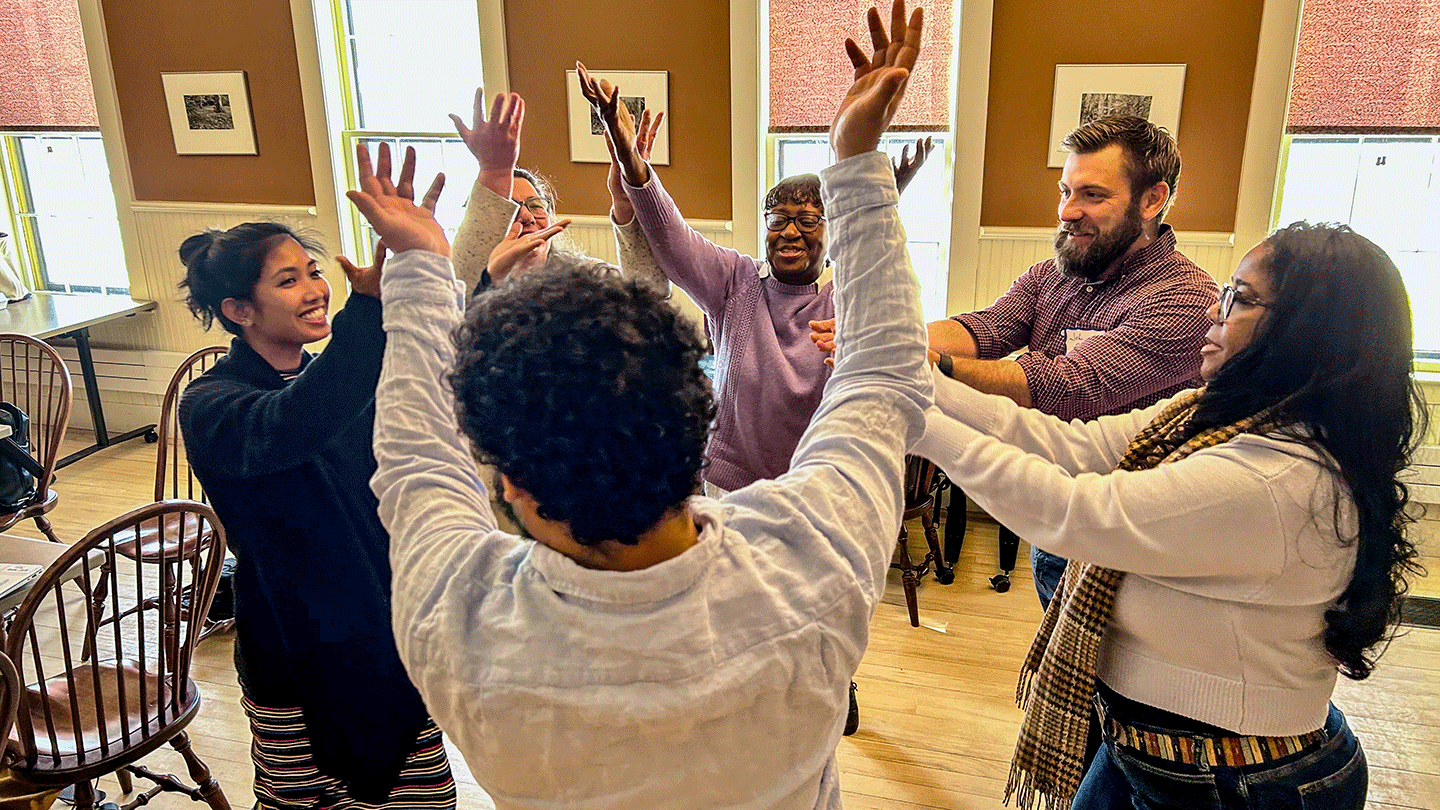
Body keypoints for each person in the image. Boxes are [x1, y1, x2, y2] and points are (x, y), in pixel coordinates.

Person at [353, 3, 929, 806]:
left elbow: (417, 462)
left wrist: (418, 272)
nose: (791, 230)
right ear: (699, 413)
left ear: (509, 491)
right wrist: (857, 164)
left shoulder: (458, 624)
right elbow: (886, 380)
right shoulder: (819, 564)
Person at [912, 222, 1423, 809]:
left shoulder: (1275, 478)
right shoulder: (1210, 415)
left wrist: (920, 425)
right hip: (1155, 750)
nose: (1214, 314)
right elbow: (1067, 445)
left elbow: (1074, 513)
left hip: (1242, 781)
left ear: (1311, 332)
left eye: (1241, 300)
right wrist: (919, 381)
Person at [818, 115, 1217, 605]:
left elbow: (1071, 386)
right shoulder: (1054, 274)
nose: (1068, 211)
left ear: (1153, 199)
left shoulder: (1185, 299)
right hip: (1056, 513)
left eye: (1092, 195)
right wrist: (887, 337)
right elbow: (986, 328)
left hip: (1132, 541)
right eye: (1065, 191)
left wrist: (912, 358)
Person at [177, 147, 455, 810]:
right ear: (239, 311)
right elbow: (296, 423)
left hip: (379, 630)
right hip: (295, 648)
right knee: (303, 800)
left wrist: (428, 266)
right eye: (288, 281)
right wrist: (366, 313)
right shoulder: (213, 403)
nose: (313, 289)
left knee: (421, 798)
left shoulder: (324, 375)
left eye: (312, 272)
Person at [581, 62, 933, 499]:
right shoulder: (735, 280)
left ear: (832, 229)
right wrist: (632, 164)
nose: (789, 231)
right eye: (778, 218)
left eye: (807, 220)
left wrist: (871, 204)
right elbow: (673, 240)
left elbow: (890, 316)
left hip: (816, 487)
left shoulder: (848, 296)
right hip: (730, 487)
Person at [449, 88, 666, 295]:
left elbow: (651, 291)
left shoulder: (583, 278)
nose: (527, 217)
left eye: (536, 206)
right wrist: (493, 172)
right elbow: (462, 294)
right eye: (511, 210)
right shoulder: (466, 282)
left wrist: (627, 202)